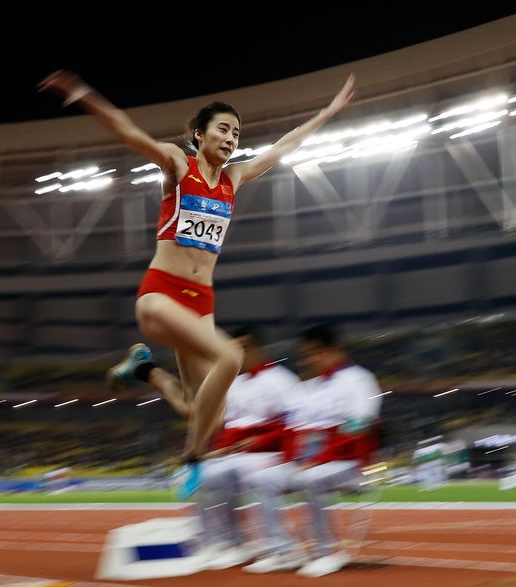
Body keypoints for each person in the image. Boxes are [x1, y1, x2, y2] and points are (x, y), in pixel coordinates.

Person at [38, 70, 355, 495]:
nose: (231, 138)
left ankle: (145, 369)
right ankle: (192, 458)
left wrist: (328, 112)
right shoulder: (178, 164)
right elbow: (128, 131)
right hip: (160, 295)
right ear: (199, 134)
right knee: (231, 356)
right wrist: (83, 94)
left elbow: (284, 146)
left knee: (207, 412)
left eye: (236, 133)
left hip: (200, 304)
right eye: (222, 129)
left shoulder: (233, 179)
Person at [243, 324, 382, 578]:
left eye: (313, 353)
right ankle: (282, 550)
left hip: (350, 464)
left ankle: (324, 552)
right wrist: (292, 461)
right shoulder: (307, 388)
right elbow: (292, 433)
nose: (308, 360)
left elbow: (359, 427)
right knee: (262, 478)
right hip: (310, 462)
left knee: (310, 478)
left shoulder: (358, 380)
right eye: (305, 354)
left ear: (330, 350)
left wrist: (319, 460)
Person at [195, 326, 301, 570]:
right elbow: (230, 428)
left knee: (249, 475)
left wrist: (261, 441)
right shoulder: (234, 384)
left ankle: (278, 547)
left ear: (258, 349)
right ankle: (226, 543)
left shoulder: (282, 380)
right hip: (240, 454)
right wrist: (219, 449)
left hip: (272, 454)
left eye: (242, 349)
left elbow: (294, 425)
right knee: (202, 477)